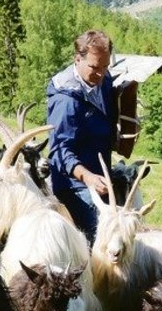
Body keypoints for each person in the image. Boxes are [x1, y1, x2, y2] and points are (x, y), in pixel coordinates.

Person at [46, 29, 120, 246]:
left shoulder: (102, 79)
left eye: (105, 67)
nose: (101, 74)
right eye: (94, 68)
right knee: (103, 239)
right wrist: (87, 177)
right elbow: (59, 151)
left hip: (100, 176)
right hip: (74, 185)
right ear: (77, 59)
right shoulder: (66, 100)